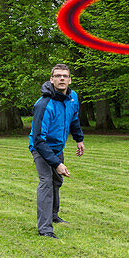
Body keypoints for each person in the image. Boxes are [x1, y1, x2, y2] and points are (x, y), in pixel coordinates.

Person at [27, 64, 84, 238]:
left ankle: (53, 216)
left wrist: (79, 139)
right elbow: (38, 139)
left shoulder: (72, 97)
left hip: (57, 146)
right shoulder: (44, 104)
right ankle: (45, 229)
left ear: (69, 80)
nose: (61, 79)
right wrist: (57, 163)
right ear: (51, 80)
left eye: (65, 76)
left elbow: (73, 119)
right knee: (46, 183)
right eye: (58, 76)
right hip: (41, 147)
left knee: (56, 181)